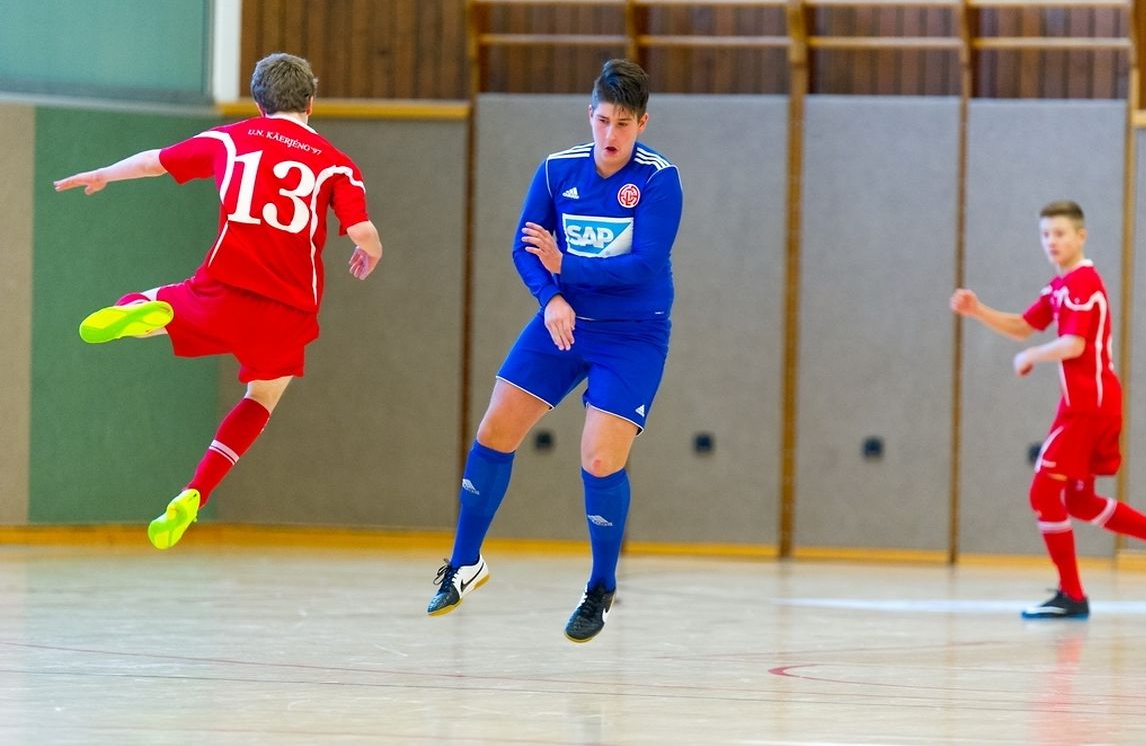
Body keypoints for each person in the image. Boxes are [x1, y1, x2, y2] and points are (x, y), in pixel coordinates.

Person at [53, 52, 382, 550]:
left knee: (158, 303)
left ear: (258, 101)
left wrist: (103, 173)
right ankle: (194, 493)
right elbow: (361, 229)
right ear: (311, 103)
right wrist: (368, 250)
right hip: (289, 309)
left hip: (226, 286)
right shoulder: (337, 164)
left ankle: (149, 311)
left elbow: (152, 162)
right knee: (261, 398)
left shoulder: (230, 138)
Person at [426, 59, 683, 643]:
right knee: (495, 429)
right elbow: (524, 248)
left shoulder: (660, 181)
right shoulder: (556, 171)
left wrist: (564, 266)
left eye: (623, 123)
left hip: (632, 334)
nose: (610, 135)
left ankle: (600, 586)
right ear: (588, 115)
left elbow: (641, 264)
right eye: (602, 120)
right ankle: (464, 563)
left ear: (642, 123)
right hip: (563, 321)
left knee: (598, 459)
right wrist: (550, 298)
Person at [950, 200, 1146, 619]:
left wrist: (1032, 357)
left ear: (1081, 236)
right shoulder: (1059, 287)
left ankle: (1073, 595)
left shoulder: (1084, 283)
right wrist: (978, 311)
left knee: (1043, 492)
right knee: (1080, 502)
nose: (1051, 242)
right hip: (1086, 404)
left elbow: (1074, 345)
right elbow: (1023, 325)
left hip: (1089, 405)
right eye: (1045, 234)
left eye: (1060, 234)